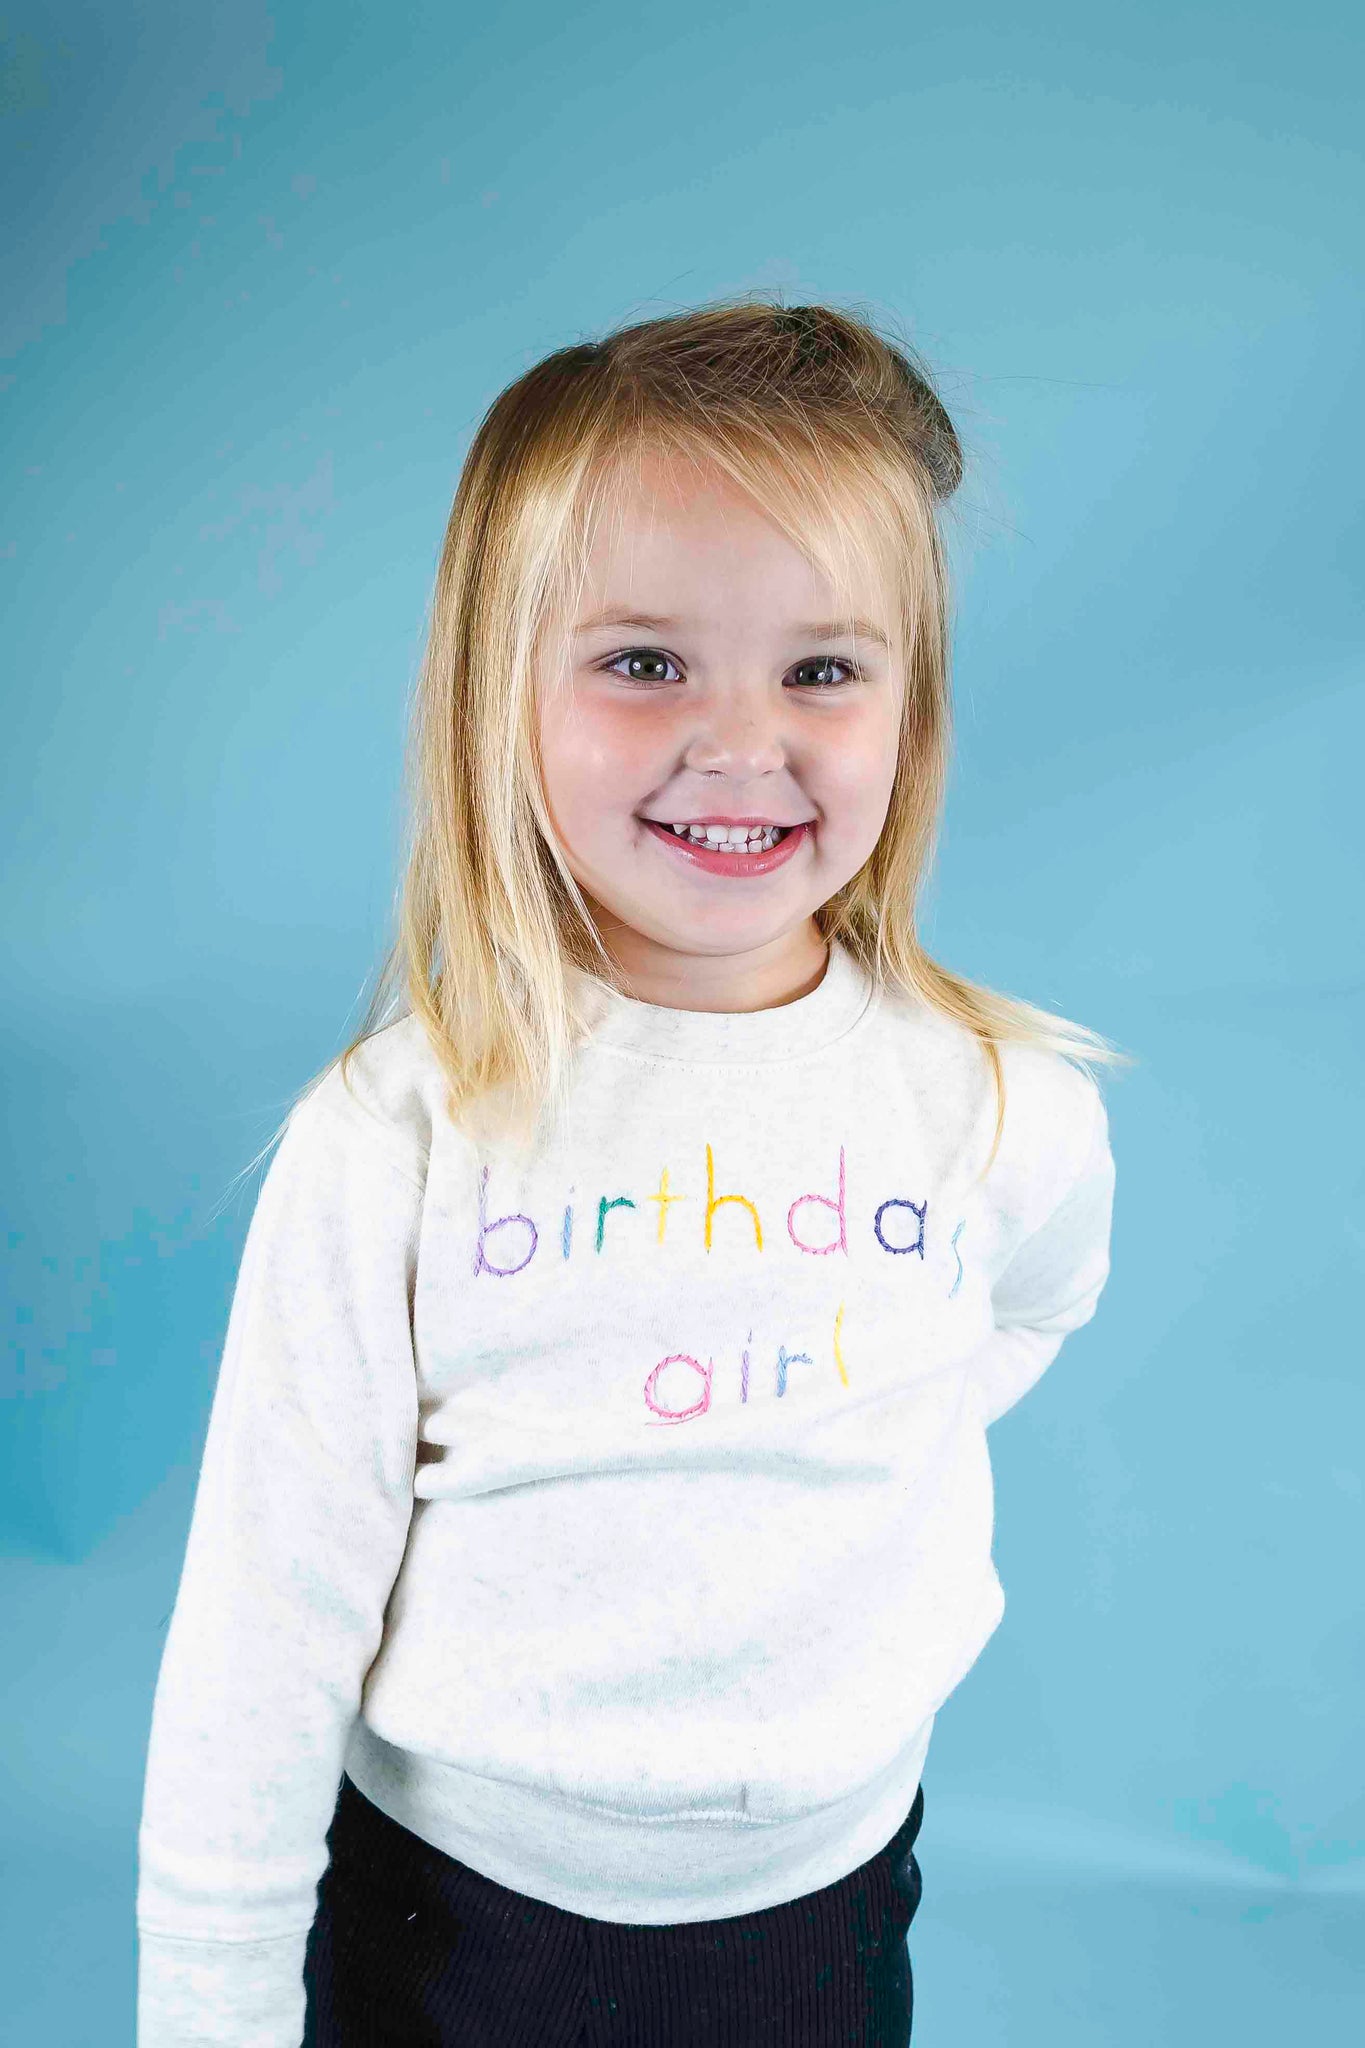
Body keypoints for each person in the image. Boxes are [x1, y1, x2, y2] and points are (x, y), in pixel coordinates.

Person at [135, 297, 1121, 2047]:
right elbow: (263, 1622)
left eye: (821, 670)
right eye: (646, 662)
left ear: (909, 710)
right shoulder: (400, 1137)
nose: (742, 742)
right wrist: (211, 2006)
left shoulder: (989, 1102)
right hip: (452, 1915)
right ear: (496, 694)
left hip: (822, 1903)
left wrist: (849, 1443)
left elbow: (1032, 1303)